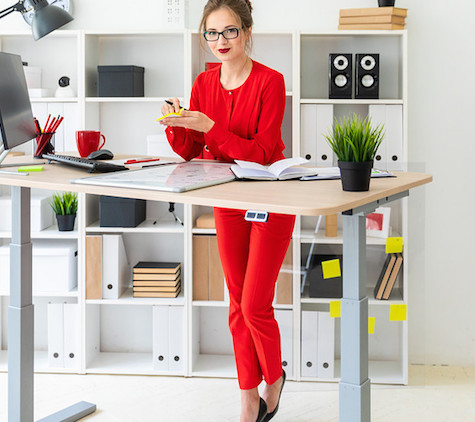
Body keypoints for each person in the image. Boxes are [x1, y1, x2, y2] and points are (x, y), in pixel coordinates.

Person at [158, 1, 292, 421]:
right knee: (236, 304)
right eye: (212, 34)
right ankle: (248, 397)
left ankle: (275, 378)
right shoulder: (203, 83)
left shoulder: (271, 82)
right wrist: (180, 125)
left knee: (255, 304)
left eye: (230, 32)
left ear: (248, 32)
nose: (221, 42)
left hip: (270, 197)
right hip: (227, 198)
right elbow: (193, 152)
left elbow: (264, 153)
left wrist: (210, 128)